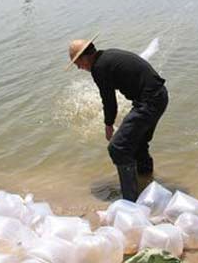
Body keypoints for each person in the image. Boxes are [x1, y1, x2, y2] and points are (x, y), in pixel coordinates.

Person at [67, 35, 169, 201]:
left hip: (149, 101)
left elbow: (109, 100)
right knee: (138, 144)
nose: (79, 68)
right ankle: (148, 187)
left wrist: (108, 125)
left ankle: (130, 201)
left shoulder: (99, 67)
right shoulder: (108, 56)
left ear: (85, 56)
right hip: (159, 96)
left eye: (78, 63)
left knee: (118, 147)